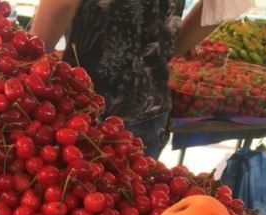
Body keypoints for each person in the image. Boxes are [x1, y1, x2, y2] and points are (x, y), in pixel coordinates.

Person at [30, 0, 224, 158]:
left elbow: (60, 5)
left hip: (81, 108)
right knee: (132, 197)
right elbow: (221, 6)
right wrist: (160, 51)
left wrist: (27, 65)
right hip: (149, 107)